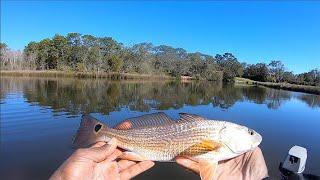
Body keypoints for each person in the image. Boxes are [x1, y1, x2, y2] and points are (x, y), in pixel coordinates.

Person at [50, 121, 268, 180]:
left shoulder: (223, 144)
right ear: (229, 132)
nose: (254, 137)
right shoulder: (219, 136)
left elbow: (209, 167)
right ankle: (97, 129)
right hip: (142, 143)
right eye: (248, 133)